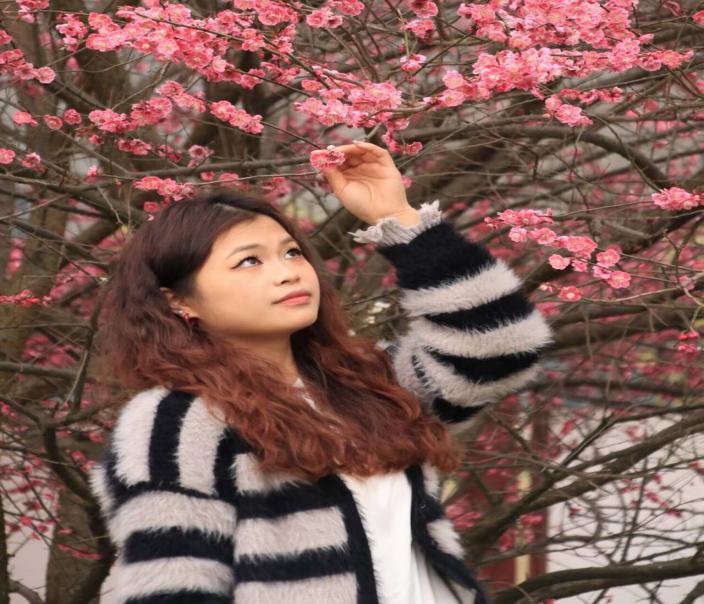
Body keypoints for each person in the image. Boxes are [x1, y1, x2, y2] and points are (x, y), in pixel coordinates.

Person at [88, 141, 554, 604]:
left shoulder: (367, 384)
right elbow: (175, 589)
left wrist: (397, 218)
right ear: (179, 302)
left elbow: (501, 346)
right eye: (250, 261)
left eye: (292, 253)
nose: (289, 272)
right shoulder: (177, 422)